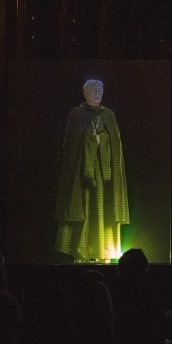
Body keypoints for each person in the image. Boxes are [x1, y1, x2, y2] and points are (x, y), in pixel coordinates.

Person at [54, 79, 129, 263]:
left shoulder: (108, 115)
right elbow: (70, 146)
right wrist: (88, 142)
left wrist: (101, 141)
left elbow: (116, 145)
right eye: (94, 90)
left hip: (104, 175)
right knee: (84, 210)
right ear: (85, 93)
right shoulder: (77, 114)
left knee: (103, 210)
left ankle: (104, 250)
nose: (98, 93)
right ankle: (80, 251)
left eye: (100, 90)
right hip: (81, 176)